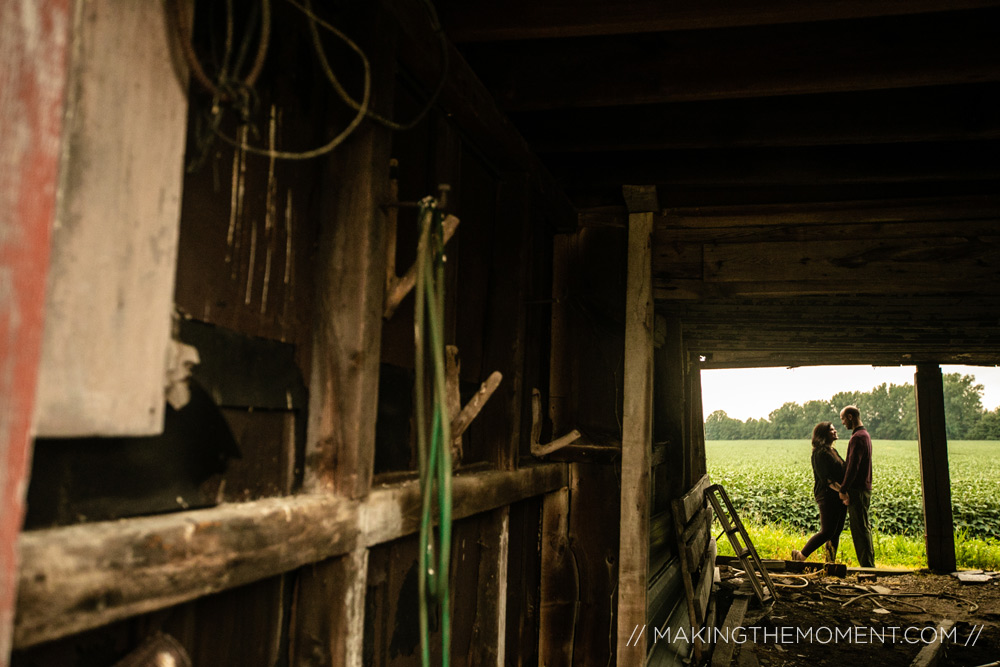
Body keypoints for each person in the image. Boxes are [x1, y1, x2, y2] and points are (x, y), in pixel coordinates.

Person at [791, 422, 847, 563]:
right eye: (831, 430)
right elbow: (826, 478)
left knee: (836, 532)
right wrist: (842, 491)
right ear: (823, 434)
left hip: (839, 495)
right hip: (827, 495)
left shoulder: (832, 451)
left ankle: (830, 562)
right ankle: (800, 556)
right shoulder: (819, 453)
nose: (835, 431)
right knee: (827, 531)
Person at [838, 405, 875, 567]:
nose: (843, 423)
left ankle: (867, 567)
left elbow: (853, 466)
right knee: (864, 527)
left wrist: (843, 488)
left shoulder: (857, 437)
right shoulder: (865, 435)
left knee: (860, 530)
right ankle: (869, 564)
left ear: (851, 417)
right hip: (864, 488)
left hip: (857, 490)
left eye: (843, 419)